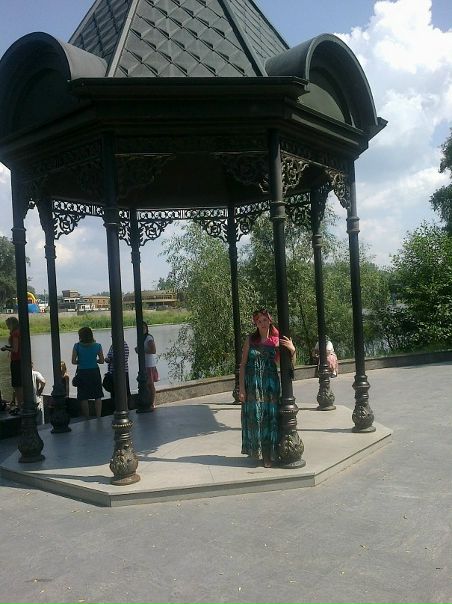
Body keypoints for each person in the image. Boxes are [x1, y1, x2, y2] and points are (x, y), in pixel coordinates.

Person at [238, 308, 296, 468]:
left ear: (270, 320)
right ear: (255, 323)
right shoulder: (250, 340)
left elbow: (289, 366)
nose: (262, 323)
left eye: (265, 320)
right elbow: (243, 365)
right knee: (256, 418)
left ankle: (270, 453)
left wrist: (292, 350)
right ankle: (261, 452)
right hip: (253, 385)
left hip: (270, 385)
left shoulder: (276, 341)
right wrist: (241, 388)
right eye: (259, 321)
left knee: (270, 418)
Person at [71, 327, 104, 419]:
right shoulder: (98, 346)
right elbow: (102, 361)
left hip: (82, 372)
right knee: (97, 395)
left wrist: (81, 361)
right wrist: (94, 360)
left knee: (83, 396)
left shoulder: (77, 346)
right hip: (94, 372)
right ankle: (98, 417)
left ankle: (87, 418)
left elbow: (73, 361)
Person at [1, 317, 23, 409]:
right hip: (20, 360)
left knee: (17, 385)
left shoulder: (15, 333)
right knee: (19, 384)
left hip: (16, 361)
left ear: (12, 324)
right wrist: (9, 347)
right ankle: (20, 404)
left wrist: (6, 348)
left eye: (8, 325)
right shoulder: (19, 332)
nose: (7, 327)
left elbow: (15, 349)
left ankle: (20, 405)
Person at [137, 321, 158, 410]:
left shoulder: (148, 338)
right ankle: (148, 402)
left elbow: (153, 350)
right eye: (140, 328)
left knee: (150, 384)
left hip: (149, 364)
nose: (142, 330)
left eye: (143, 328)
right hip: (144, 364)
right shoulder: (141, 338)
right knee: (146, 384)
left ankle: (152, 403)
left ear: (146, 328)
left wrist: (141, 350)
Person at [105, 339, 131, 405]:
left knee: (123, 390)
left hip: (122, 372)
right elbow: (110, 356)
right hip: (113, 371)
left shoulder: (123, 345)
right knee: (114, 391)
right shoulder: (113, 345)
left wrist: (109, 360)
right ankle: (116, 405)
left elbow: (122, 359)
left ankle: (125, 405)